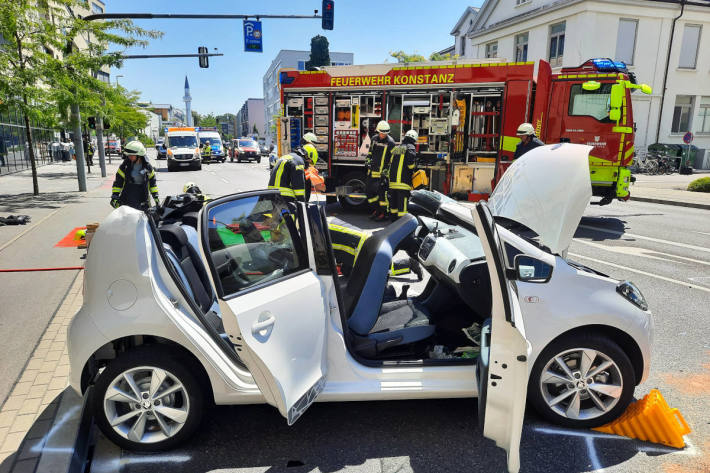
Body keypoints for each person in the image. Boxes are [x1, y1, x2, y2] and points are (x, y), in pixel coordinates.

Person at [328, 218, 421, 280]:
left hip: (358, 246)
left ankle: (409, 264)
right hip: (357, 240)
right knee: (348, 272)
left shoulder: (318, 235)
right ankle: (409, 262)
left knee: (378, 270)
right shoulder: (320, 226)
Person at [110, 140, 159, 211]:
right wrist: (115, 195)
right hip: (126, 201)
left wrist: (156, 197)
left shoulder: (148, 167)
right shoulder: (124, 167)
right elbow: (118, 182)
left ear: (139, 155)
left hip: (143, 202)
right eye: (128, 155)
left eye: (131, 155)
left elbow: (153, 184)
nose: (129, 157)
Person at [366, 121, 396, 221]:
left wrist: (386, 172)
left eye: (385, 133)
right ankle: (376, 210)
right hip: (372, 172)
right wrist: (368, 160)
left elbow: (392, 160)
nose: (383, 135)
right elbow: (370, 152)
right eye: (382, 133)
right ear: (378, 131)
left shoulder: (391, 143)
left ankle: (384, 213)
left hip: (382, 174)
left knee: (382, 196)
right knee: (369, 193)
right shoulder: (374, 139)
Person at [387, 129, 418, 221]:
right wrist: (414, 167)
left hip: (392, 183)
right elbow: (410, 165)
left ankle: (393, 223)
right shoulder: (411, 147)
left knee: (393, 206)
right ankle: (402, 226)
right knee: (402, 208)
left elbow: (390, 163)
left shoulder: (398, 148)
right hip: (403, 184)